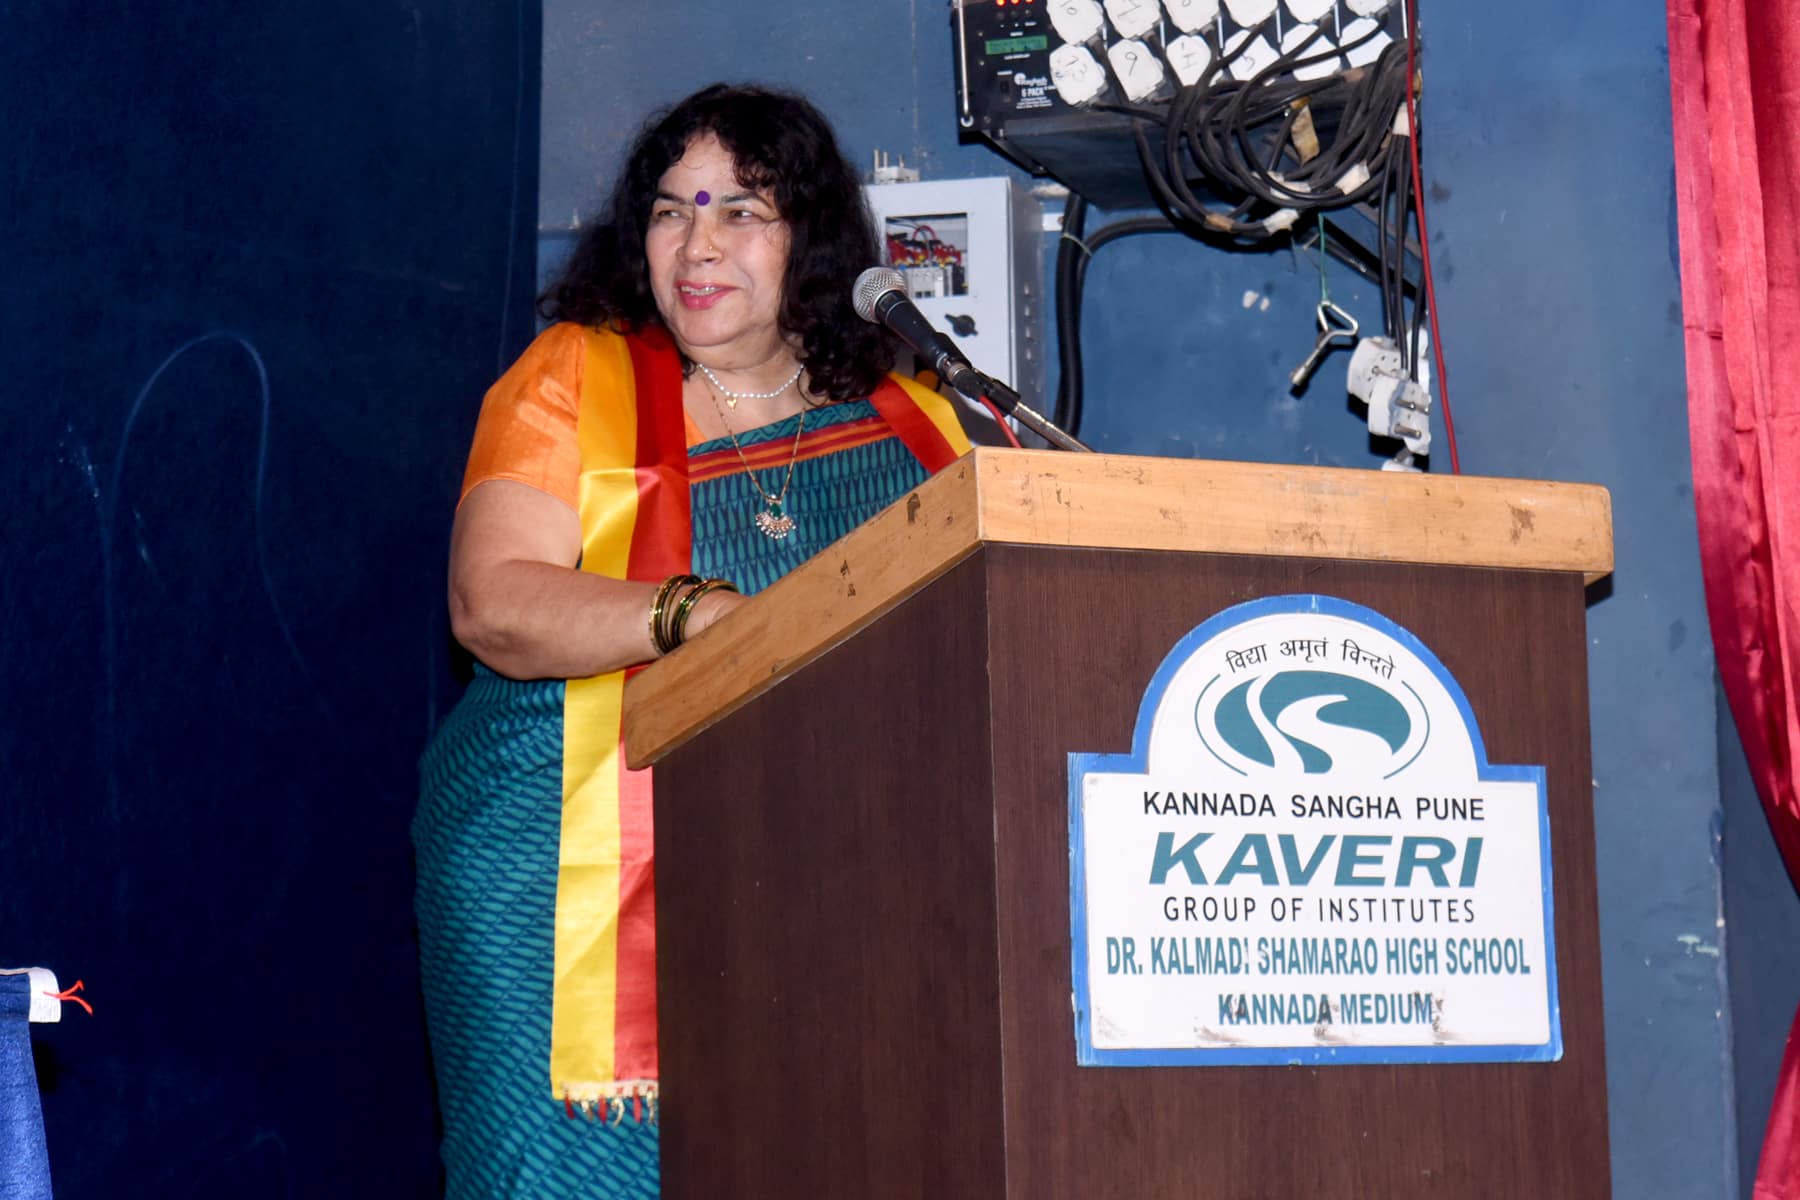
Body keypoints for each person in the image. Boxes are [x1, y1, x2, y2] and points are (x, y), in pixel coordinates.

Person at [412, 83, 971, 1198]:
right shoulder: (577, 373)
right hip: (553, 874)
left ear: (809, 236)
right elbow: (492, 603)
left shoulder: (916, 417)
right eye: (670, 212)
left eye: (741, 213)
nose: (697, 246)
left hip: (812, 871)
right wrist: (690, 615)